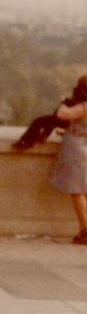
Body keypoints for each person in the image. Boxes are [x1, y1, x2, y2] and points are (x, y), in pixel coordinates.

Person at [49, 74, 87, 245]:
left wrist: (64, 101)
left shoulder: (83, 106)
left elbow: (62, 114)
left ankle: (85, 229)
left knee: (76, 188)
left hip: (76, 147)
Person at [12, 77, 87, 152]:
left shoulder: (80, 95)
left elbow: (61, 114)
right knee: (48, 121)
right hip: (73, 123)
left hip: (70, 122)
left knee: (42, 121)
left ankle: (28, 141)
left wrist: (65, 101)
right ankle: (40, 136)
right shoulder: (81, 95)